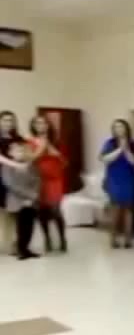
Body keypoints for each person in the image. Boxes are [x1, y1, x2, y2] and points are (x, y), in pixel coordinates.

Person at [28, 115, 68, 253]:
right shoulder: (29, 142)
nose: (41, 125)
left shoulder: (56, 141)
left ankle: (62, 239)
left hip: (55, 180)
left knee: (56, 210)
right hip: (38, 180)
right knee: (42, 212)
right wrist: (41, 148)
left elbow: (65, 163)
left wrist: (55, 153)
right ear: (33, 126)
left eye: (43, 123)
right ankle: (47, 239)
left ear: (48, 125)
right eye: (37, 123)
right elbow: (29, 160)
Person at [100, 119, 134, 249]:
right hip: (114, 179)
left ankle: (128, 239)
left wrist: (126, 149)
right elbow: (105, 159)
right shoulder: (109, 143)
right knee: (115, 209)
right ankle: (113, 238)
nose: (118, 129)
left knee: (128, 209)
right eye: (116, 127)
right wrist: (120, 149)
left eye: (121, 126)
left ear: (126, 129)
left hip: (129, 179)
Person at [2, 142, 40, 260]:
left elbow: (37, 180)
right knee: (20, 227)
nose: (20, 153)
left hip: (31, 201)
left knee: (30, 226)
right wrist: (27, 196)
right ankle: (21, 250)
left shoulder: (30, 165)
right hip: (16, 201)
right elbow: (10, 184)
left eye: (21, 151)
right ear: (10, 153)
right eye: (17, 151)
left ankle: (27, 249)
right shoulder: (7, 167)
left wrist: (32, 196)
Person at [0, 110, 26, 255]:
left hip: (14, 180)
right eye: (5, 120)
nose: (8, 123)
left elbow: (25, 154)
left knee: (13, 213)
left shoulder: (18, 138)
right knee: (3, 213)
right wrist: (15, 164)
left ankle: (13, 245)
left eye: (10, 120)